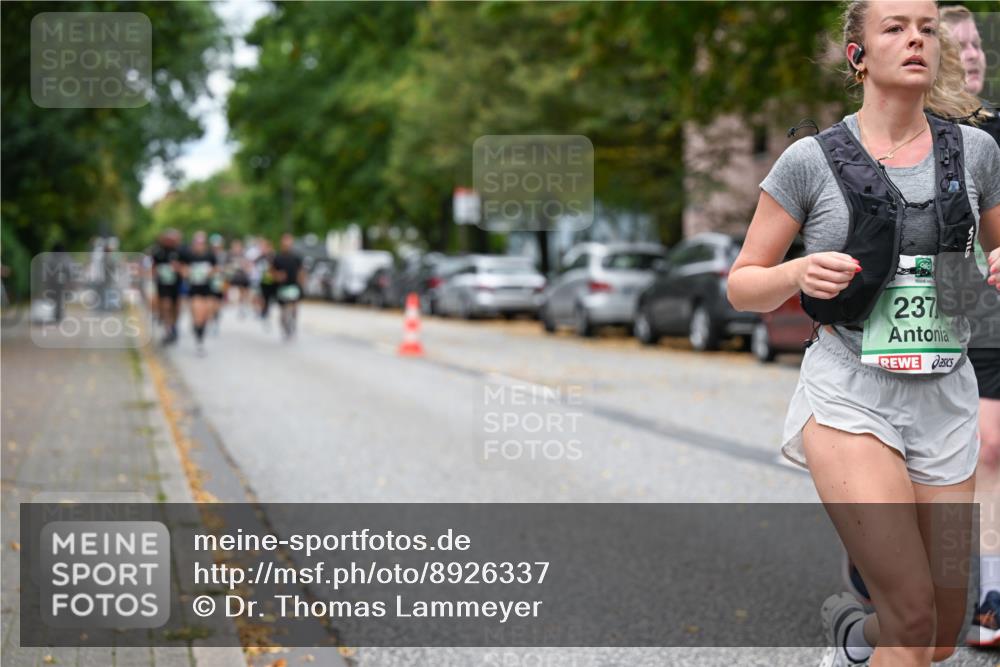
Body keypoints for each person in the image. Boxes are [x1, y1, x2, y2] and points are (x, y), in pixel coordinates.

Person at [727, 1, 1000, 665]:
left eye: (926, 29)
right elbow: (742, 283)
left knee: (935, 634)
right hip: (851, 395)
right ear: (858, 56)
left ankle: (853, 637)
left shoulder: (978, 153)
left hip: (945, 394)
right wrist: (795, 271)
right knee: (910, 614)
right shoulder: (809, 161)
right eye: (895, 28)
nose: (916, 40)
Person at [940, 5, 1000, 648]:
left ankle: (990, 593)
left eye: (979, 42)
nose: (974, 53)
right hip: (922, 307)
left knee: (989, 445)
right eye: (960, 44)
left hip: (988, 302)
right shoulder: (907, 133)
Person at [181, 231, 217, 355]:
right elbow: (183, 271)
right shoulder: (189, 256)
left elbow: (216, 269)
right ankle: (199, 341)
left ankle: (200, 332)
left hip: (207, 289)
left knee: (206, 315)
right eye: (197, 243)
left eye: (201, 243)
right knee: (198, 314)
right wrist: (188, 272)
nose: (199, 245)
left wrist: (209, 272)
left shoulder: (210, 255)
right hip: (194, 289)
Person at [149, 229, 183, 345]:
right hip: (163, 285)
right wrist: (156, 272)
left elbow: (186, 267)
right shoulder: (158, 252)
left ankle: (174, 326)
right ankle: (168, 330)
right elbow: (152, 267)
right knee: (165, 305)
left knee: (175, 307)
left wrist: (178, 268)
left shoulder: (180, 251)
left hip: (176, 285)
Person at [271, 233, 304, 340]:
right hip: (282, 287)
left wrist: (302, 282)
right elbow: (271, 271)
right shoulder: (277, 257)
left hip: (294, 285)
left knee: (294, 306)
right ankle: (284, 327)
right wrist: (277, 276)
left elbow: (301, 271)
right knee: (283, 310)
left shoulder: (296, 257)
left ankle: (293, 322)